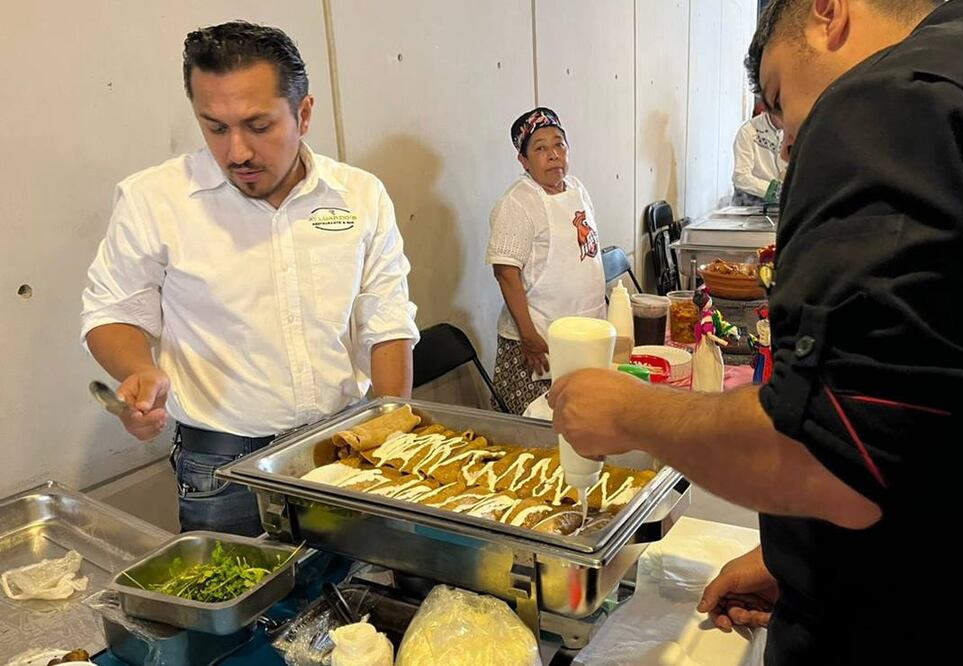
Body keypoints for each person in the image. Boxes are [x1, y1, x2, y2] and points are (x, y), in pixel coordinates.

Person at [549, 0, 963, 663]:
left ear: (828, 10)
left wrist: (626, 412)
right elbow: (934, 419)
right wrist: (799, 558)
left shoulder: (892, 100)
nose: (789, 138)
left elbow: (831, 460)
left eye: (779, 99)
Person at [81, 22, 419, 536]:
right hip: (223, 467)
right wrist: (139, 371)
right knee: (236, 587)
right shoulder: (155, 200)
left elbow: (387, 318)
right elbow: (111, 312)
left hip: (344, 444)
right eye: (215, 127)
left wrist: (393, 433)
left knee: (354, 583)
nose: (237, 152)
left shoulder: (359, 196)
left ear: (304, 114)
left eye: (259, 126)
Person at [485, 107, 606, 415]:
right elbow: (506, 273)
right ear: (523, 160)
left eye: (559, 145)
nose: (553, 155)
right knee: (544, 428)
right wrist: (529, 337)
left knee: (586, 420)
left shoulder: (577, 189)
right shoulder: (517, 202)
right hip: (537, 345)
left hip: (582, 337)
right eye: (540, 148)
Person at [731, 101, 786, 206]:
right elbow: (741, 177)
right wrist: (774, 190)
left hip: (780, 201)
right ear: (771, 110)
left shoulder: (793, 130)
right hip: (751, 199)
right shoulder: (749, 131)